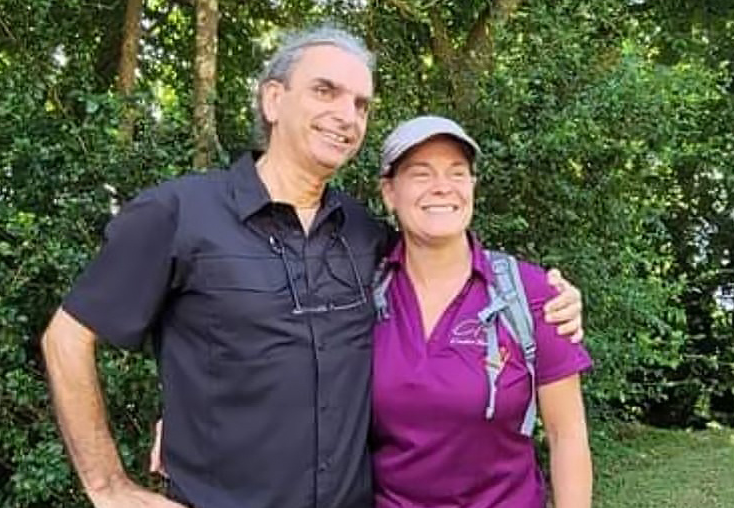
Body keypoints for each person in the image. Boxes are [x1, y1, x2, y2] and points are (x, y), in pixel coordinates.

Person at [40, 27, 584, 508]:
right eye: (326, 91)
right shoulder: (178, 214)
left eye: (362, 104)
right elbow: (66, 339)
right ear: (273, 100)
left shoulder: (365, 234)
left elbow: (442, 266)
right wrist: (108, 483)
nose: (347, 115)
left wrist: (551, 297)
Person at [370, 116, 592, 508]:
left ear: (472, 186)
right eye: (421, 174)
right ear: (389, 191)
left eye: (457, 173)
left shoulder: (531, 294)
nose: (442, 187)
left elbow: (567, 434)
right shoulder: (363, 293)